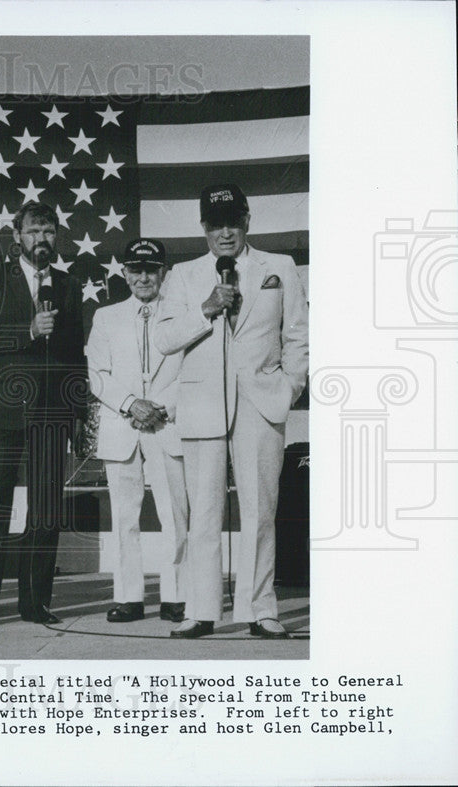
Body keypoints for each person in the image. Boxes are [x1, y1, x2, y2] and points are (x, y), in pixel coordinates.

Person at [155, 184, 308, 639]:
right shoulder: (183, 275)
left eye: (233, 222)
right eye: (215, 224)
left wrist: (288, 386)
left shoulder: (279, 268)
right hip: (202, 404)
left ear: (247, 221)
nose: (225, 233)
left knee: (261, 510)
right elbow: (164, 339)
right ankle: (201, 609)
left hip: (262, 403)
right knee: (203, 511)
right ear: (204, 228)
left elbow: (298, 333)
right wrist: (207, 309)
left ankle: (260, 608)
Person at [0, 201, 88, 627]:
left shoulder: (70, 286)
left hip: (52, 412)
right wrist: (28, 331)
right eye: (33, 232)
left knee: (46, 509)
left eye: (49, 232)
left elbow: (75, 356)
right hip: (4, 411)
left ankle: (35, 602)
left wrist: (79, 413)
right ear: (17, 236)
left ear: (57, 237)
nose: (42, 240)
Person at [87, 238, 188, 624]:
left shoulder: (183, 314)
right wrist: (132, 404)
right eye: (135, 269)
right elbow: (98, 374)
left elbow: (193, 372)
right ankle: (129, 597)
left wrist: (163, 406)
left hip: (167, 424)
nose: (143, 277)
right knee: (125, 517)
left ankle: (176, 595)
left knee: (174, 514)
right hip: (123, 425)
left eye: (151, 269)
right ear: (125, 273)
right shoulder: (106, 317)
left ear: (163, 272)